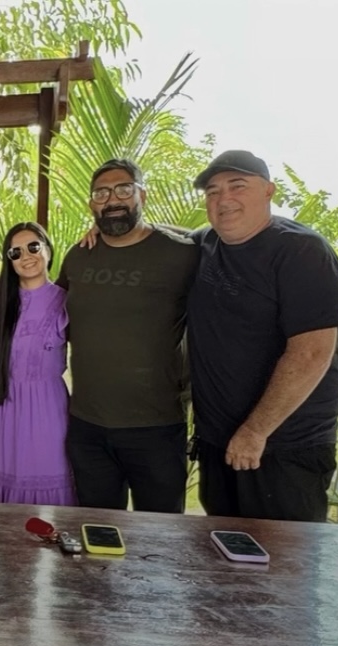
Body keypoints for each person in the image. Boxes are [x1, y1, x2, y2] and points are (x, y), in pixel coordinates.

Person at [188, 150, 338, 521]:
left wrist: (256, 431)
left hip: (282, 447)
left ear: (269, 191)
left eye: (238, 186)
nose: (224, 199)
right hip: (219, 442)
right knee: (219, 549)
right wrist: (106, 228)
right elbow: (160, 241)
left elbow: (312, 353)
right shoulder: (205, 244)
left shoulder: (301, 251)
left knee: (280, 554)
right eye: (213, 191)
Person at [57, 159, 199, 513]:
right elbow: (53, 315)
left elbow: (215, 240)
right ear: (91, 204)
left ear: (142, 195)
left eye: (123, 190)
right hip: (87, 427)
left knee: (160, 534)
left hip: (156, 427)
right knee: (97, 532)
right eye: (101, 194)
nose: (112, 200)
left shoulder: (181, 254)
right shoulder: (79, 256)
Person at [0, 222, 76, 505]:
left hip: (49, 408)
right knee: (10, 485)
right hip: (7, 407)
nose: (26, 256)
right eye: (16, 252)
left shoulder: (67, 300)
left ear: (48, 249)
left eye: (33, 246)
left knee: (51, 481)